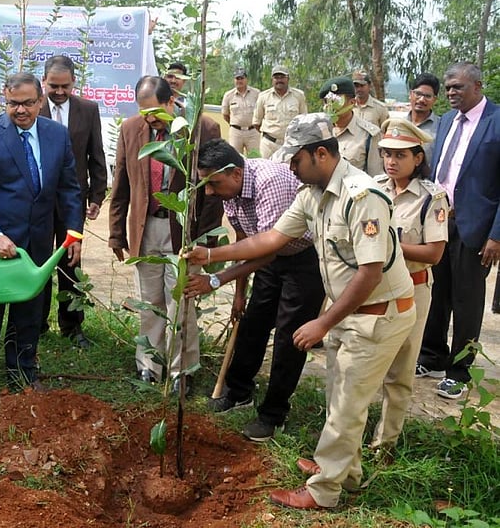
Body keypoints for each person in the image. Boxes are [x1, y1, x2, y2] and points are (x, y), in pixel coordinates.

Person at [186, 112, 416, 510]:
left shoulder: (362, 197)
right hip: (352, 313)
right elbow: (271, 239)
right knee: (341, 396)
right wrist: (210, 255)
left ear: (321, 154)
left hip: (379, 314)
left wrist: (323, 322)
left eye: (295, 160)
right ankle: (346, 471)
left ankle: (324, 490)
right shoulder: (311, 194)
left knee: (346, 404)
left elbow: (370, 272)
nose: (289, 167)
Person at [187, 139, 325, 442]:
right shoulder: (230, 189)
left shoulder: (269, 183)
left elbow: (268, 250)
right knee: (252, 325)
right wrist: (240, 294)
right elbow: (243, 239)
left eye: (214, 184)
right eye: (206, 184)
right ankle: (239, 393)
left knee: (290, 338)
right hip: (267, 259)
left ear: (236, 173)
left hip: (303, 260)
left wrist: (216, 277)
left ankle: (273, 415)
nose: (209, 192)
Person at [0, 72, 83, 414]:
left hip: (37, 244)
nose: (20, 110)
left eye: (28, 103)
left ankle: (23, 375)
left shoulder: (56, 135)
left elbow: (69, 189)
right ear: (5, 100)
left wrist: (74, 233)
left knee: (29, 314)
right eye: (13, 103)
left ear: (40, 100)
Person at [108, 75, 223, 396]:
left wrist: (206, 241)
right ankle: (149, 365)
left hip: (184, 231)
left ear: (171, 101)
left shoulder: (202, 128)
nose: (150, 119)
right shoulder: (131, 129)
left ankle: (181, 371)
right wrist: (116, 233)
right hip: (146, 228)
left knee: (181, 303)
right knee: (150, 302)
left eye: (155, 112)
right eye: (144, 112)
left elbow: (213, 191)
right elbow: (121, 183)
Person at [418, 62, 500, 399]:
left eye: (458, 87)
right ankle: (432, 357)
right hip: (439, 221)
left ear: (477, 86)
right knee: (436, 292)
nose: (451, 92)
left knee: (466, 300)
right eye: (448, 87)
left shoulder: (496, 121)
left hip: (476, 226)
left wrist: (496, 235)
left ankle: (459, 372)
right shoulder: (447, 120)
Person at [370, 118, 447, 456]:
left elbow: (434, 253)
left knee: (400, 371)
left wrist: (389, 246)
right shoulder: (373, 188)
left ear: (418, 158)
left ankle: (384, 445)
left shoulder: (432, 197)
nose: (391, 161)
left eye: (400, 155)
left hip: (413, 290)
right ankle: (347, 439)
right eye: (387, 153)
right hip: (373, 286)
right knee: (363, 364)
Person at [39, 55, 107, 347]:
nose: (59, 92)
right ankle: (36, 323)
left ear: (74, 83)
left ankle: (72, 326)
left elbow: (96, 154)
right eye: (53, 86)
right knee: (39, 260)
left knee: (71, 260)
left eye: (65, 86)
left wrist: (97, 195)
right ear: (43, 81)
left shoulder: (87, 109)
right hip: (38, 200)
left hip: (73, 200)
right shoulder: (32, 107)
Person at [318, 77, 382, 176]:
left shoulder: (369, 134)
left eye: (335, 101)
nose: (330, 106)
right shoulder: (319, 131)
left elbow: (375, 175)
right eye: (326, 101)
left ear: (352, 102)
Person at [253, 65, 308, 158]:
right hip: (269, 145)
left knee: (292, 168)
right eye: (276, 77)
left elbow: (304, 121)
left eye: (282, 77)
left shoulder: (299, 95)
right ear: (272, 79)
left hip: (292, 145)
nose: (279, 80)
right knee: (267, 167)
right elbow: (256, 123)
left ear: (288, 78)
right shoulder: (263, 97)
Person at [221, 67, 261, 156]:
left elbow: (261, 112)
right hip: (236, 133)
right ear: (234, 80)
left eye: (242, 78)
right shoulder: (228, 95)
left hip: (253, 132)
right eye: (237, 78)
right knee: (235, 158)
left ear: (246, 79)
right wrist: (236, 124)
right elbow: (225, 115)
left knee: (255, 157)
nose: (239, 81)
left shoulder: (257, 93)